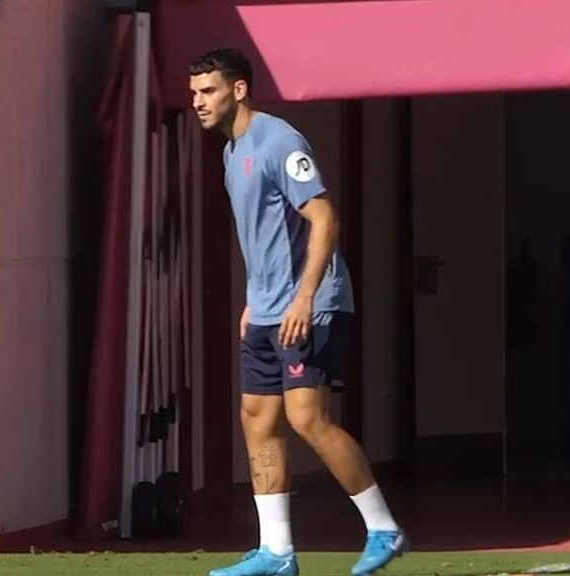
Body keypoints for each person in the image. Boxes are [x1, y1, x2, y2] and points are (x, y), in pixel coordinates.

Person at [188, 48, 408, 576]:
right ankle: (277, 553)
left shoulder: (280, 141)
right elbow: (265, 236)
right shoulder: (230, 152)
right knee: (257, 418)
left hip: (310, 304)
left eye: (208, 91)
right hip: (267, 310)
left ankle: (383, 527)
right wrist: (255, 301)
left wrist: (304, 297)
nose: (197, 102)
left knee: (306, 417)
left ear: (238, 90)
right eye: (194, 92)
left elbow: (324, 218)